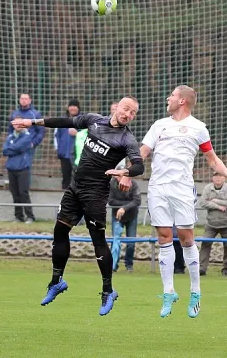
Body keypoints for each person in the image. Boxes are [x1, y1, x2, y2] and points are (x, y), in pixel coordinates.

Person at [119, 85, 227, 319]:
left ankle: (195, 291)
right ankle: (168, 292)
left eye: (173, 95)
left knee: (187, 239)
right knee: (164, 238)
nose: (169, 98)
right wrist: (126, 172)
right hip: (158, 189)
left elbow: (211, 158)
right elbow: (141, 153)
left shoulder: (198, 128)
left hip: (183, 190)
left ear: (183, 101)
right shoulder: (159, 125)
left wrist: (226, 173)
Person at [11, 96, 144, 316]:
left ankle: (108, 291)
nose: (128, 114)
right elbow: (66, 122)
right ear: (116, 107)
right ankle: (56, 282)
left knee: (98, 242)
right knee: (60, 231)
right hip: (75, 189)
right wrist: (32, 122)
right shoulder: (94, 120)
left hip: (95, 195)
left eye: (133, 113)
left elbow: (139, 165)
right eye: (126, 109)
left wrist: (125, 172)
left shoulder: (126, 139)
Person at [199, 172, 227, 277]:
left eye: (220, 176)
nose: (218, 178)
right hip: (211, 223)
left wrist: (216, 201)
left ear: (224, 178)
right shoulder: (207, 188)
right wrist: (218, 206)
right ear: (212, 178)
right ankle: (202, 268)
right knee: (205, 244)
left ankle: (226, 269)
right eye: (216, 176)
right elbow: (202, 202)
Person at [3, 116, 35, 224]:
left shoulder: (27, 136)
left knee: (23, 193)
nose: (17, 125)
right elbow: (5, 150)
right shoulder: (10, 137)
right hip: (11, 168)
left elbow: (19, 147)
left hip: (23, 168)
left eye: (19, 123)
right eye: (15, 123)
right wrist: (14, 148)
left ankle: (30, 216)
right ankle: (18, 216)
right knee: (15, 193)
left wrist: (13, 148)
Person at [108, 169, 141, 273]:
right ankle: (113, 265)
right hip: (117, 216)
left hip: (131, 216)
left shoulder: (133, 184)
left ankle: (129, 265)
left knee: (131, 242)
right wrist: (125, 205)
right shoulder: (112, 185)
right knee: (115, 241)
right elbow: (110, 201)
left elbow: (137, 201)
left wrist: (124, 208)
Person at [8, 93, 45, 165]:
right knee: (14, 165)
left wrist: (33, 143)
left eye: (26, 99)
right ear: (19, 100)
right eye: (22, 99)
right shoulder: (14, 114)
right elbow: (10, 129)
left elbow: (41, 131)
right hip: (15, 146)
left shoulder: (36, 114)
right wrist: (11, 141)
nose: (24, 100)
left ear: (30, 101)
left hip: (28, 147)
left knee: (26, 168)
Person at [54, 98, 81, 189]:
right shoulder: (61, 120)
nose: (73, 108)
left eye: (75, 106)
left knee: (77, 177)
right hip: (64, 154)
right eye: (71, 106)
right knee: (65, 177)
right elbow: (56, 135)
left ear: (78, 108)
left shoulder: (83, 120)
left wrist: (77, 134)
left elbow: (88, 135)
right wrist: (59, 149)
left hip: (78, 155)